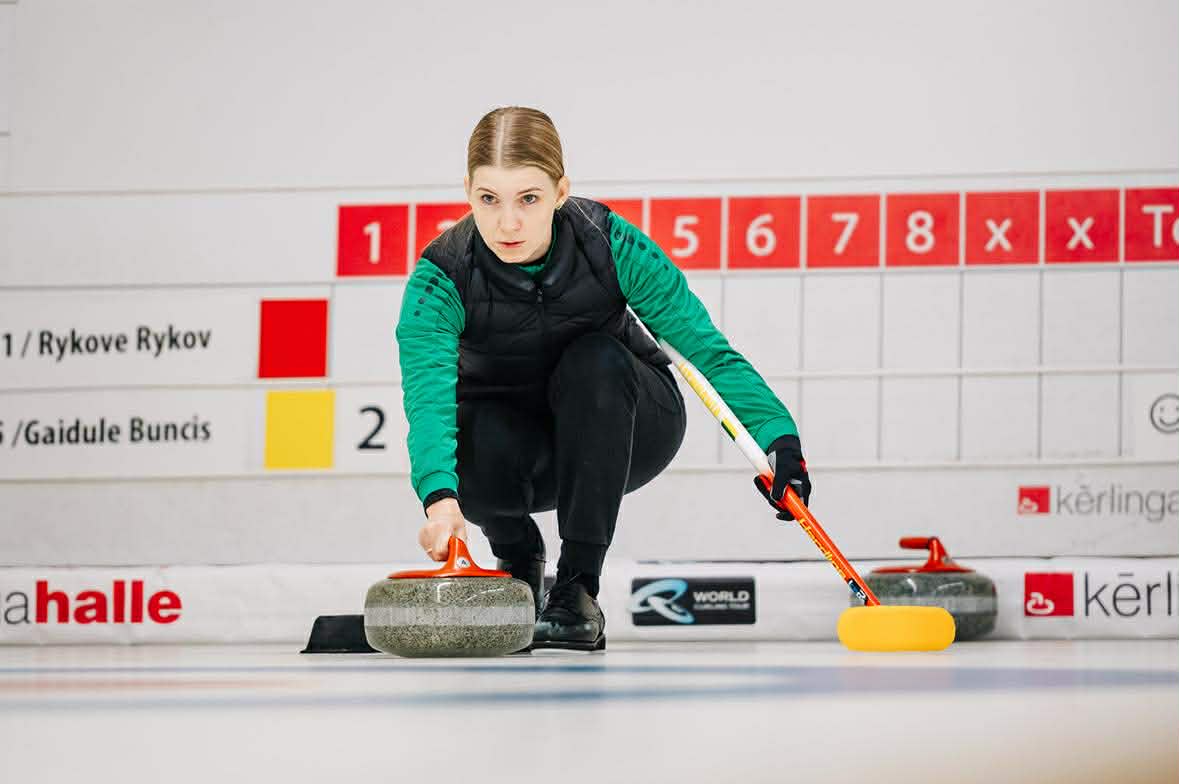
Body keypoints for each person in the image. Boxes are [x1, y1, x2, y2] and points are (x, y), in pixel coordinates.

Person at [396, 106, 811, 651]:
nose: (508, 223)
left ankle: (576, 590)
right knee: (468, 430)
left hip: (625, 419)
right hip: (516, 445)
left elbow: (707, 352)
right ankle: (517, 558)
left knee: (594, 358)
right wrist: (441, 501)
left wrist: (779, 439)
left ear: (561, 192)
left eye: (529, 199)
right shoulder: (441, 277)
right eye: (489, 199)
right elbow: (428, 401)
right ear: (468, 193)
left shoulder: (611, 243)